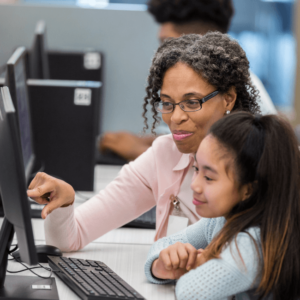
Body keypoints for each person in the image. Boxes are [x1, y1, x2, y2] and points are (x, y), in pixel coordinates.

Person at [28, 32, 260, 251]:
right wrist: (64, 203)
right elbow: (69, 239)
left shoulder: (260, 164)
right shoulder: (165, 154)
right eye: (167, 103)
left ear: (228, 98)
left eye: (192, 102)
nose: (176, 117)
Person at [145, 111, 300, 300]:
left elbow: (190, 292)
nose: (194, 184)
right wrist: (160, 265)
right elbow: (163, 244)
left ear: (248, 190)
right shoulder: (219, 221)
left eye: (209, 177)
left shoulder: (252, 246)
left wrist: (196, 265)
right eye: (196, 169)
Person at [100, 0, 277, 161]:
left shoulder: (241, 90)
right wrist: (141, 142)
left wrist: (134, 150)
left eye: (167, 43)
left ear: (197, 44)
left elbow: (221, 165)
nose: (163, 53)